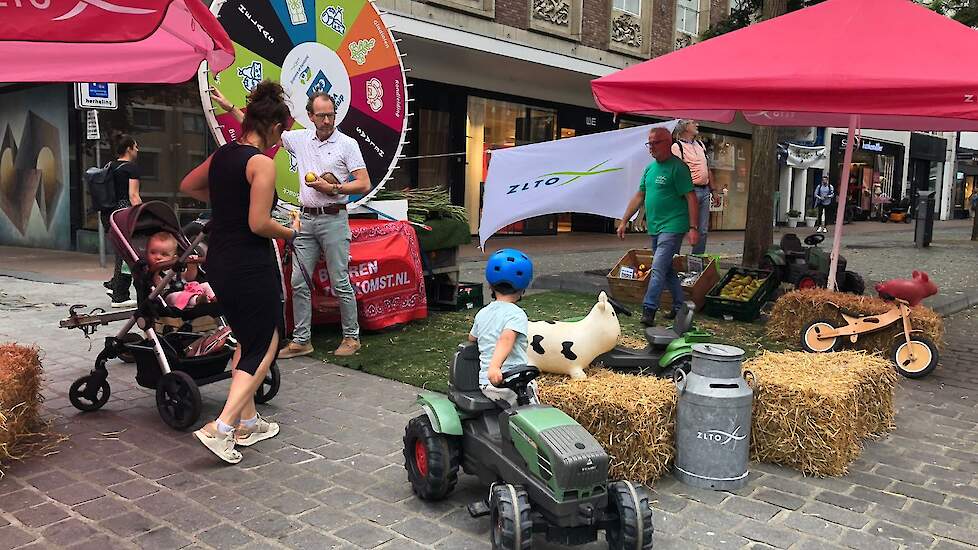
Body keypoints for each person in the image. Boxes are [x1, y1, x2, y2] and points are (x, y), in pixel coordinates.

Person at [180, 80, 300, 464]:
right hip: (250, 263)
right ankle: (224, 427)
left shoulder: (223, 155)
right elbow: (259, 223)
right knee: (267, 341)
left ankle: (248, 421)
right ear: (276, 128)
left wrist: (224, 203)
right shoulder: (261, 163)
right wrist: (290, 230)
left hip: (219, 261)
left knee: (247, 339)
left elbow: (188, 186)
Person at [210, 88, 370, 358]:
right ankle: (302, 340)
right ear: (310, 116)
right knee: (299, 281)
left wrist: (334, 188)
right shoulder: (300, 138)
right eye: (321, 116)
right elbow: (262, 131)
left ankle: (351, 338)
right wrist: (230, 106)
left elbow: (364, 183)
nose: (328, 121)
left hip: (334, 218)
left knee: (339, 280)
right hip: (305, 219)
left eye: (331, 115)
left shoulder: (347, 144)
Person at [618, 127, 699, 327]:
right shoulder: (650, 169)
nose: (651, 147)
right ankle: (680, 305)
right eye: (650, 143)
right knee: (666, 269)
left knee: (658, 267)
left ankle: (649, 309)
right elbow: (639, 195)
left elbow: (691, 197)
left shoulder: (678, 168)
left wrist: (693, 227)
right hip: (655, 227)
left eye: (656, 143)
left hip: (673, 226)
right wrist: (624, 220)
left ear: (668, 142)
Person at [468, 248, 538, 408]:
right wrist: (495, 367)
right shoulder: (517, 314)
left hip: (487, 384)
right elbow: (506, 339)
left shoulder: (483, 313)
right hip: (509, 383)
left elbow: (472, 338)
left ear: (490, 285)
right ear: (524, 287)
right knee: (534, 412)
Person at [102, 134, 142, 308]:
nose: (137, 150)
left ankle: (116, 286)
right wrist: (144, 214)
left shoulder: (109, 166)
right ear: (129, 148)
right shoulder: (131, 168)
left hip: (108, 213)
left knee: (123, 252)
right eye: (136, 146)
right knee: (128, 253)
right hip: (125, 212)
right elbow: (134, 196)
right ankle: (119, 295)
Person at [671, 120, 716, 255]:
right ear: (684, 127)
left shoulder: (701, 144)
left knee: (702, 230)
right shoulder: (677, 147)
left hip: (705, 190)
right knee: (681, 228)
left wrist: (713, 190)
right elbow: (674, 173)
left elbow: (707, 169)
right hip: (688, 192)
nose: (697, 124)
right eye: (692, 122)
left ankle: (697, 261)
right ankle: (674, 259)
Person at [145, 231, 215, 310]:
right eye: (153, 252)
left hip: (188, 290)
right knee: (177, 296)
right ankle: (198, 300)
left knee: (206, 284)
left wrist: (192, 264)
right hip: (170, 296)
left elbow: (189, 278)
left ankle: (214, 297)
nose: (158, 257)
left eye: (164, 254)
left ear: (174, 258)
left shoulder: (178, 268)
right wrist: (156, 271)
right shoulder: (152, 272)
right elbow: (158, 288)